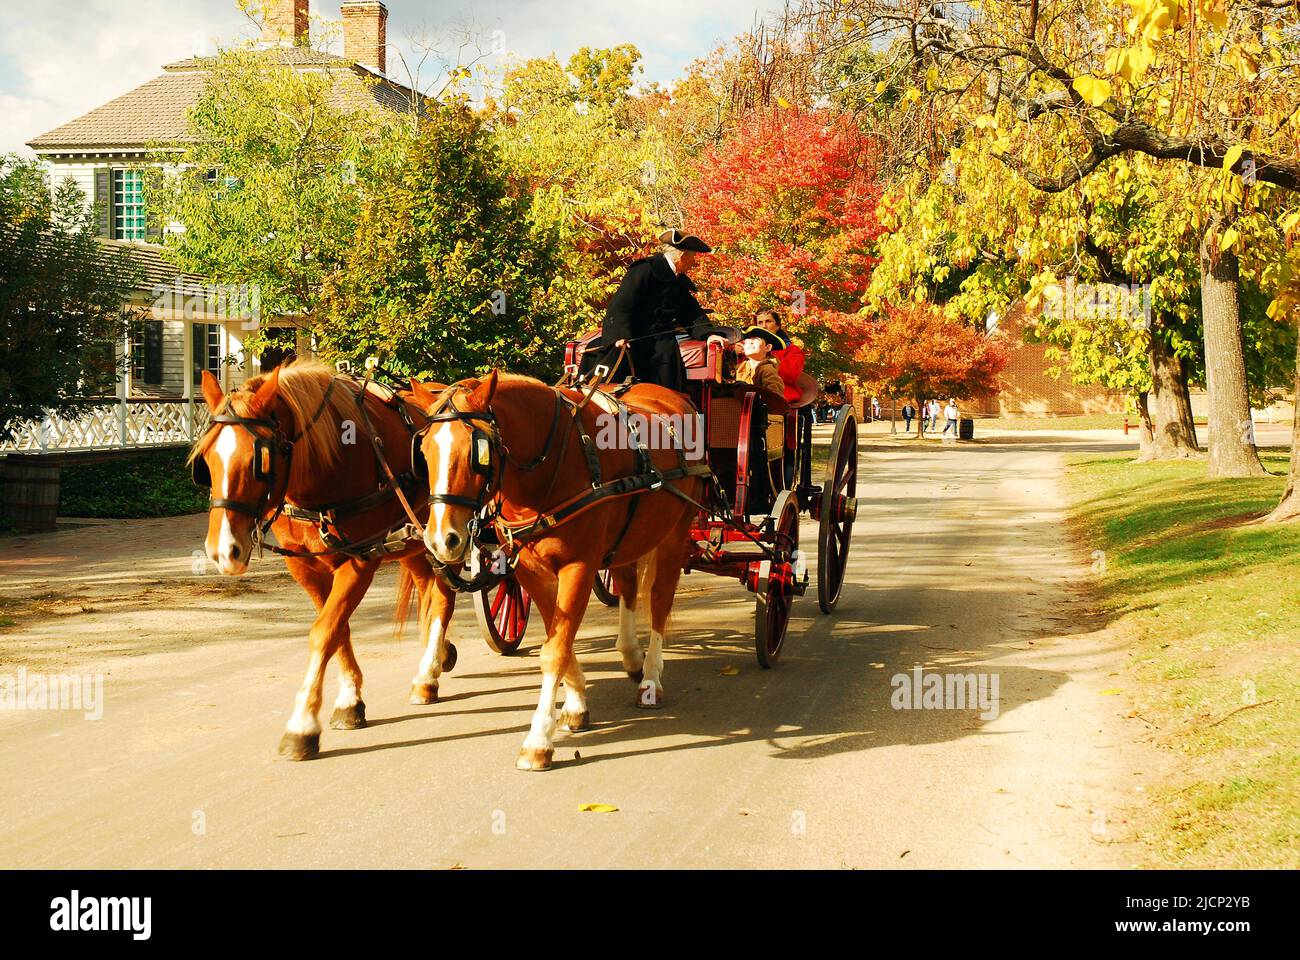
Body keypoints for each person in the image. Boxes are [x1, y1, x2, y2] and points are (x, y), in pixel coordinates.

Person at [578, 229, 713, 393]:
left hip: (661, 342)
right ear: (683, 256)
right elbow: (621, 306)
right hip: (631, 338)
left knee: (668, 355)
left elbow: (692, 314)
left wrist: (709, 334)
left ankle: (667, 410)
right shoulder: (643, 271)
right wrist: (620, 336)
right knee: (614, 362)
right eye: (693, 257)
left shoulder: (679, 281)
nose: (694, 262)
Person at [753, 307, 806, 488]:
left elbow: (790, 374)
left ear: (778, 326)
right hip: (751, 400)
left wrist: (764, 358)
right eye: (760, 322)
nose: (764, 325)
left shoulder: (792, 351)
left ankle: (785, 481)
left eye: (768, 321)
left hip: (780, 402)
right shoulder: (748, 348)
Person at [736, 324, 788, 500]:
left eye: (755, 339)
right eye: (747, 339)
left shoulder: (767, 368)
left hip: (757, 424)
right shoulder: (740, 368)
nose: (749, 342)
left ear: (768, 348)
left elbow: (775, 396)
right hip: (737, 420)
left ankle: (756, 486)